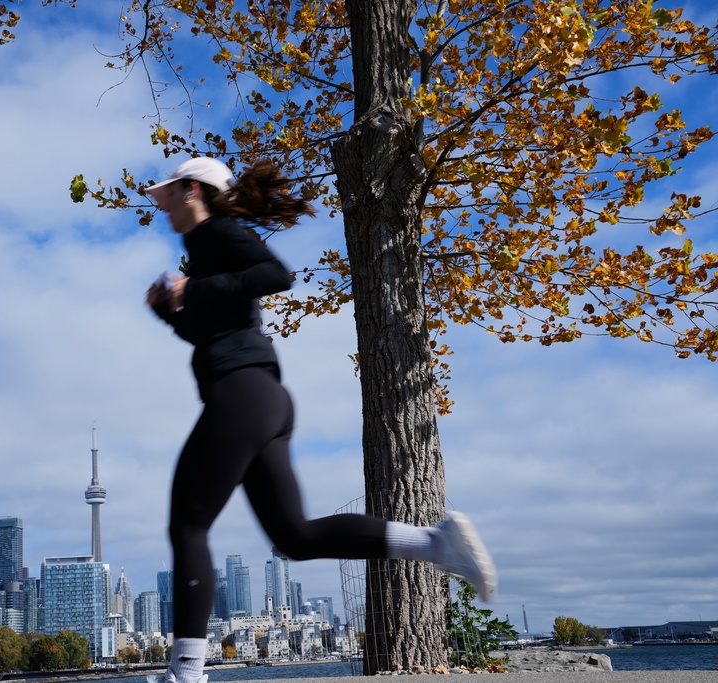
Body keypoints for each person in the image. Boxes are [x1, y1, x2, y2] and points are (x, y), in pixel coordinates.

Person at [143, 157, 496, 683]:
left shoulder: (218, 232)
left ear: (191, 189)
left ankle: (187, 673)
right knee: (296, 538)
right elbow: (207, 335)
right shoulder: (205, 253)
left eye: (166, 193)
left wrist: (188, 292)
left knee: (187, 525)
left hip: (242, 395)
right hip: (261, 398)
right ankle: (436, 545)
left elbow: (275, 275)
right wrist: (167, 311)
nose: (160, 203)